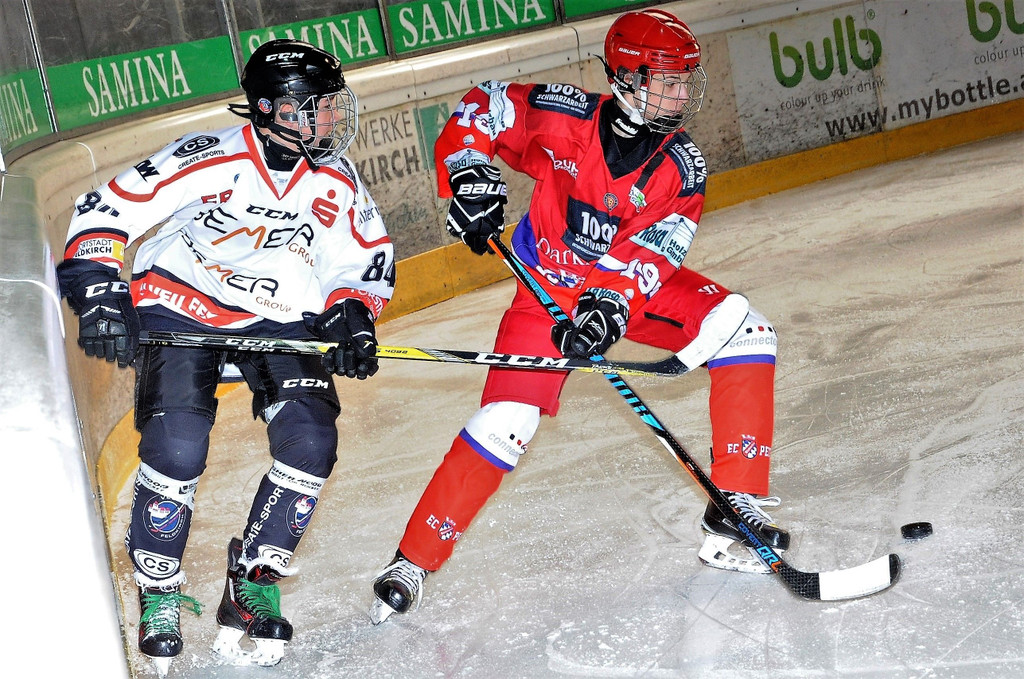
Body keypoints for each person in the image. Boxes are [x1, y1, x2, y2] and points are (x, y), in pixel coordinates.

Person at [369, 9, 788, 624]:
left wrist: (608, 306)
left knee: (746, 331)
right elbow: (483, 107)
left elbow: (655, 251)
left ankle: (734, 507)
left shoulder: (683, 164)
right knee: (507, 422)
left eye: (685, 80)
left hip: (625, 294)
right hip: (545, 288)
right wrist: (469, 174)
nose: (681, 94)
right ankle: (413, 559)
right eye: (667, 80)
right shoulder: (563, 115)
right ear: (625, 77)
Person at [56, 40, 394, 670]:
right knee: (177, 446)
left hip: (278, 315)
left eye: (330, 105)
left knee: (311, 441)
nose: (331, 118)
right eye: (317, 106)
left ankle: (253, 582)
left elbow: (362, 256)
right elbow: (106, 208)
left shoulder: (337, 177)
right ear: (272, 109)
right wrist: (99, 290)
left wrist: (352, 310)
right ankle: (159, 587)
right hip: (181, 303)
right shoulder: (209, 157)